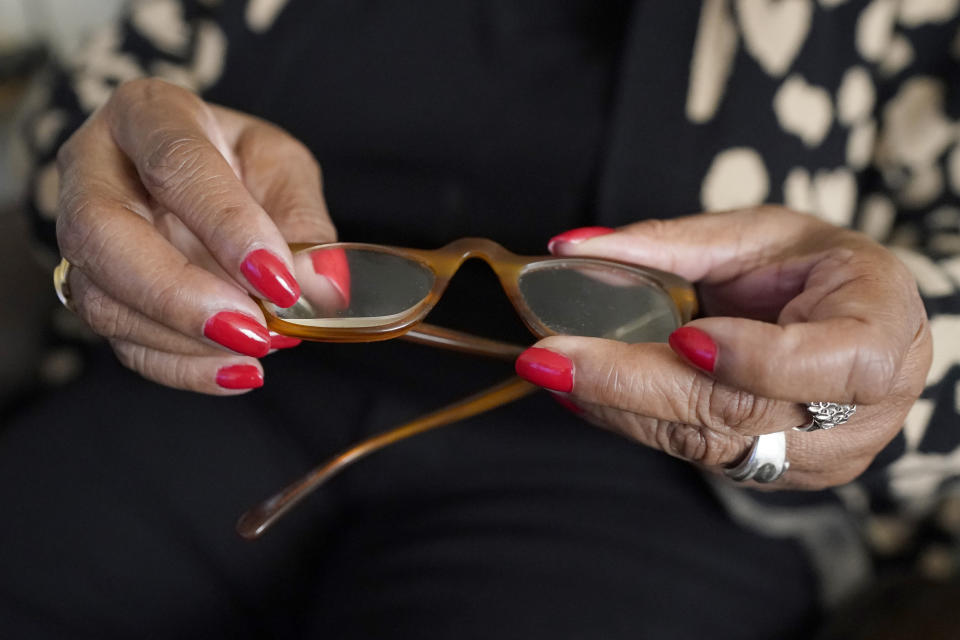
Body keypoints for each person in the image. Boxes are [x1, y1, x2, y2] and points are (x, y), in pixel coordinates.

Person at [2, 0, 958, 637]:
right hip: (232, 384)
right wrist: (116, 178)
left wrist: (871, 380)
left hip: (648, 483)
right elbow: (93, 108)